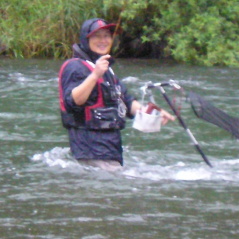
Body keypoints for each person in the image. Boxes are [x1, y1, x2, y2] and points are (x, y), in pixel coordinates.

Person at [58, 17, 174, 169]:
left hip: (110, 150)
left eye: (107, 36)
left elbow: (126, 101)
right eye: (97, 36)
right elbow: (74, 101)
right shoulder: (75, 67)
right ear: (85, 39)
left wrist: (152, 113)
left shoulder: (107, 70)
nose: (103, 40)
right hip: (91, 152)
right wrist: (95, 75)